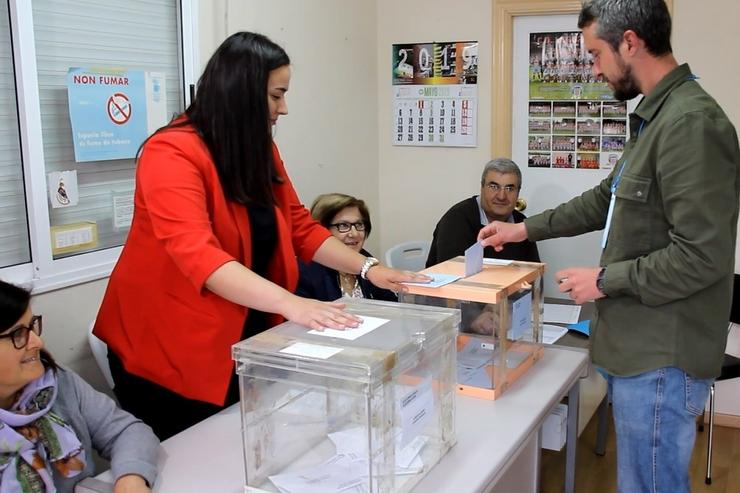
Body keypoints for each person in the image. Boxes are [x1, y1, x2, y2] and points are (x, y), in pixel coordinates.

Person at [93, 32, 426, 441]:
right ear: (240, 93)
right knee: (196, 457)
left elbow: (299, 227)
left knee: (247, 444)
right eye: (276, 95)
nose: (284, 108)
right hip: (169, 345)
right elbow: (199, 255)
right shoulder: (171, 153)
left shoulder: (257, 149)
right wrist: (293, 304)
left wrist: (369, 268)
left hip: (245, 332)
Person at [478, 1, 740, 491]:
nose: (594, 69)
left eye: (596, 54)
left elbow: (702, 255)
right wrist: (522, 229)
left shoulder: (690, 124)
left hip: (662, 351)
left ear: (631, 42)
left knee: (650, 483)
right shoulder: (655, 119)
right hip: (636, 343)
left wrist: (602, 280)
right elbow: (606, 200)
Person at [0, 280, 158, 493]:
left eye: (32, 326)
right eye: (18, 334)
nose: (37, 342)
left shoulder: (56, 381)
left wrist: (131, 479)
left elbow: (126, 431)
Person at [426, 158, 540, 267]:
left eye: (510, 188)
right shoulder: (456, 220)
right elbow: (452, 274)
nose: (501, 196)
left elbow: (535, 272)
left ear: (518, 192)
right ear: (482, 187)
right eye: (494, 187)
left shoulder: (520, 223)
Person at [296, 193, 397, 302]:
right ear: (321, 229)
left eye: (359, 225)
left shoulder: (365, 259)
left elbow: (390, 302)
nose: (354, 234)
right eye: (343, 226)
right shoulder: (304, 271)